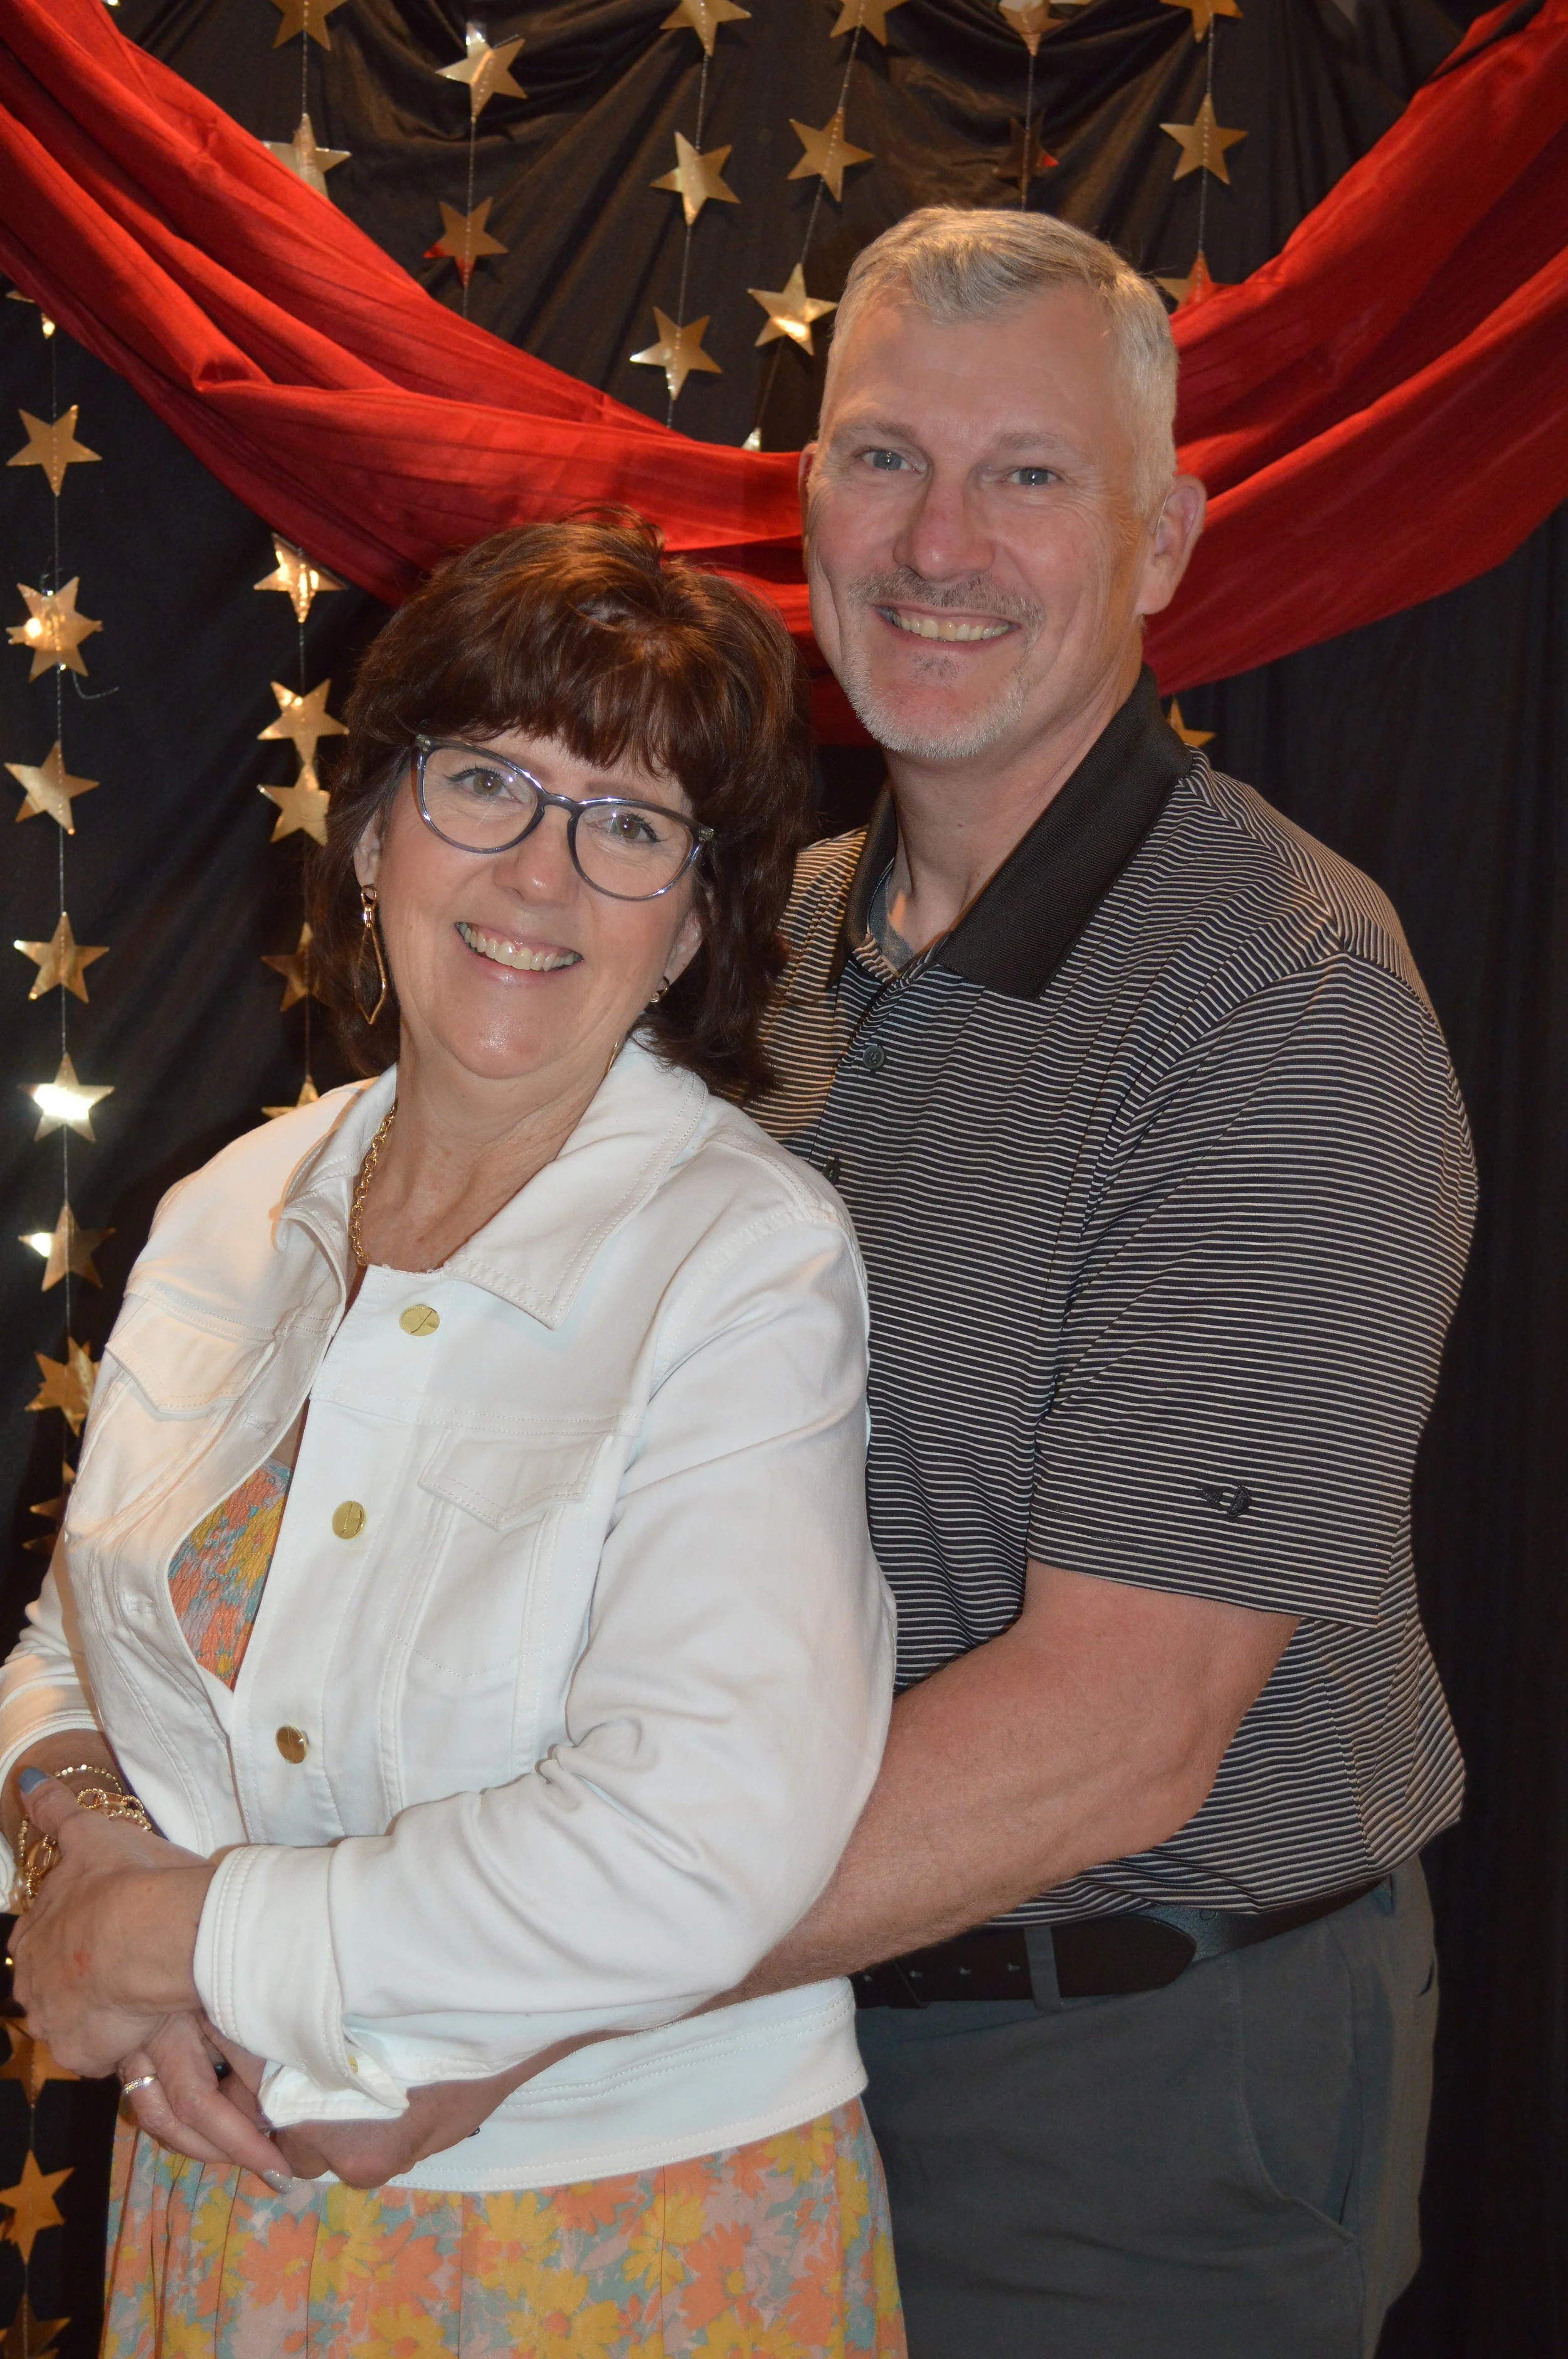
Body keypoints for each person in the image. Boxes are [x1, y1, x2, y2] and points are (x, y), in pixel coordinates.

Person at [0, 514, 905, 2359]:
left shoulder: (745, 1258)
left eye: (629, 823)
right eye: (487, 781)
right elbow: (62, 1654)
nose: (541, 873)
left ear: (699, 920)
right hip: (217, 2199)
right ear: (374, 828)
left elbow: (697, 1841)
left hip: (608, 2243)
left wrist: (185, 1946)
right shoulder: (231, 1210)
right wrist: (84, 1862)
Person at [741, 208, 1476, 2358]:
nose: (936, 541)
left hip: (1134, 2094)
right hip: (773, 2038)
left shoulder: (1280, 987)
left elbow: (1120, 1734)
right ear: (803, 506)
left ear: (1164, 540)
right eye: (881, 459)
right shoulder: (750, 950)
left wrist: (527, 1968)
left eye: (1027, 476)